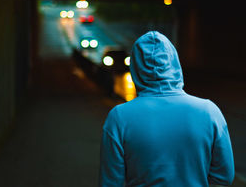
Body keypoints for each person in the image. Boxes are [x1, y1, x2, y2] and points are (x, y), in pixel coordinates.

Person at [99, 31, 234, 187]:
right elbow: (224, 176)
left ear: (135, 66)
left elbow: (110, 183)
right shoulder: (209, 111)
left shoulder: (119, 117)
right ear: (174, 62)